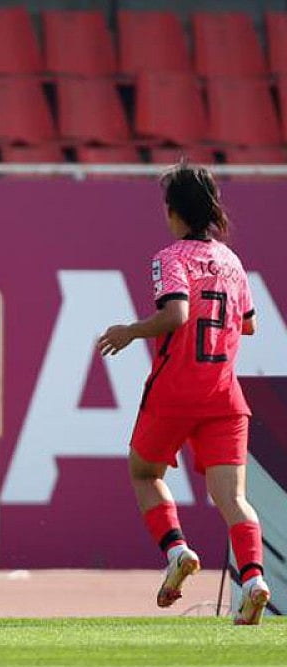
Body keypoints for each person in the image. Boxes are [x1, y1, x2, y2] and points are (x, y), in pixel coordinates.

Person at [97, 163, 270, 625]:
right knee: (232, 498)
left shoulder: (170, 258)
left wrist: (131, 330)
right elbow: (249, 323)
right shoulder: (231, 262)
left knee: (143, 471)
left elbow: (175, 315)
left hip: (175, 390)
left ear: (172, 211)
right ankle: (253, 579)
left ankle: (176, 550)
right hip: (224, 395)